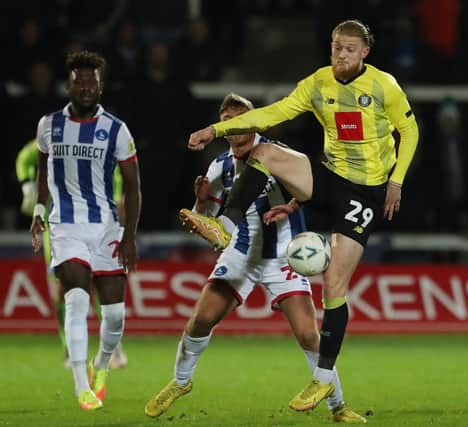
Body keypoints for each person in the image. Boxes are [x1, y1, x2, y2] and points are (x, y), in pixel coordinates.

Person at [187, 20, 419, 412]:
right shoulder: (318, 83)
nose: (340, 54)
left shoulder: (384, 86)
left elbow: (409, 133)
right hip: (329, 177)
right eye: (335, 47)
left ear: (365, 52)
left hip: (365, 189)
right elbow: (271, 114)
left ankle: (323, 379)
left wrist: (396, 182)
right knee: (264, 153)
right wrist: (216, 129)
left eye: (348, 49)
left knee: (333, 285)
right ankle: (222, 225)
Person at [144, 93, 366, 423]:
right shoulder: (219, 166)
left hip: (284, 259)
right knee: (200, 320)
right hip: (240, 255)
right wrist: (201, 202)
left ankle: (338, 407)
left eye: (241, 118)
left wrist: (293, 207)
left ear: (255, 120)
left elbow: (312, 191)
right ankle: (179, 382)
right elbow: (204, 221)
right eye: (227, 120)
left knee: (308, 335)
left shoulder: (277, 155)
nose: (234, 127)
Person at [30, 51, 141, 411]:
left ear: (101, 86)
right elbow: (43, 174)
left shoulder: (117, 129)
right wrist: (38, 211)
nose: (85, 87)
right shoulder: (48, 126)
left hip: (106, 228)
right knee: (75, 299)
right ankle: (81, 386)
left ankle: (102, 365)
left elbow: (133, 186)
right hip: (65, 227)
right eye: (79, 81)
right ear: (69, 84)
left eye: (91, 82)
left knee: (114, 317)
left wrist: (129, 236)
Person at [16, 138, 129, 369]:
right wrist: (27, 184)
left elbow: (118, 201)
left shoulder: (103, 161)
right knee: (59, 293)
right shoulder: (55, 146)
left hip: (97, 229)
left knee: (99, 286)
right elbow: (24, 157)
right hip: (59, 231)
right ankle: (69, 348)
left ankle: (113, 347)